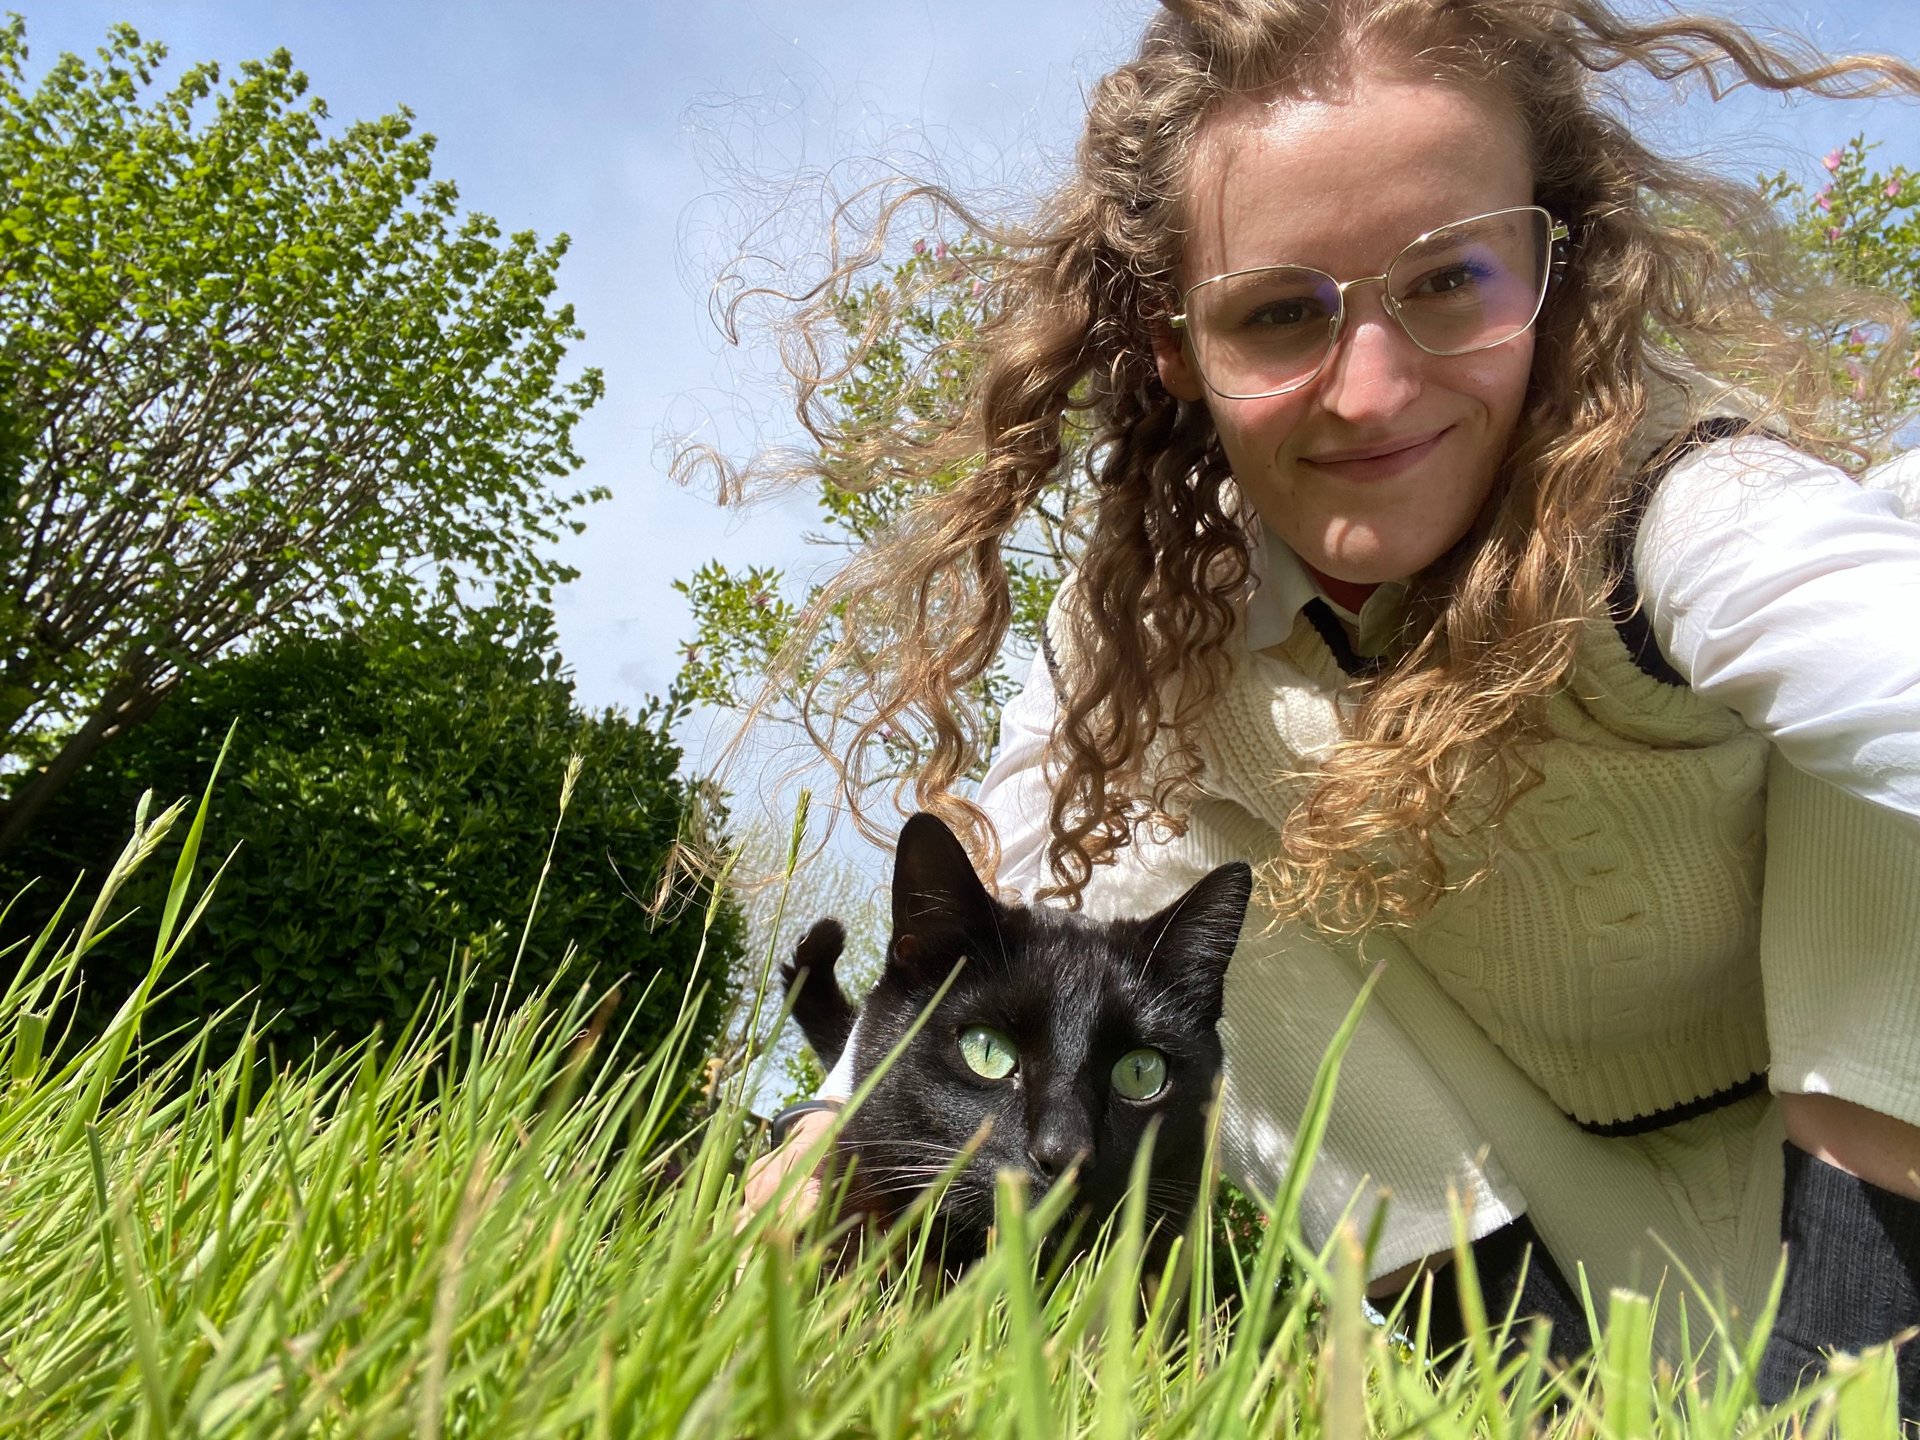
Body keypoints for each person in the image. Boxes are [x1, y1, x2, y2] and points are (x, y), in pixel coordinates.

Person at [736, 0, 1920, 1412]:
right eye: (1283, 312)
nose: (1371, 392)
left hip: (1865, 1213)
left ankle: (1860, 1379)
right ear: (1174, 342)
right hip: (1555, 1262)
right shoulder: (1147, 631)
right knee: (1165, 886)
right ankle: (1521, 1392)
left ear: (1556, 260)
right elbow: (1014, 910)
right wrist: (829, 1129)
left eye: (1451, 279)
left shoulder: (1691, 507)